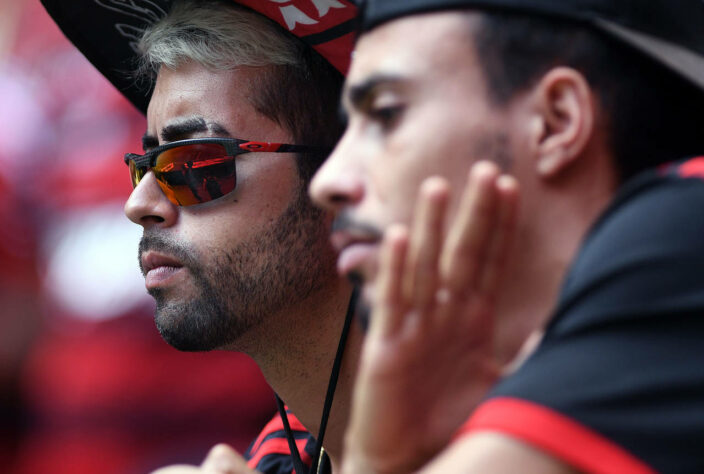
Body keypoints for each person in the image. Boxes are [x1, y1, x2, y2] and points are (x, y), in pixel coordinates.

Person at [310, 0, 704, 473]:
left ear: (556, 121)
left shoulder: (687, 230)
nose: (326, 181)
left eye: (386, 114)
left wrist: (378, 463)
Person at [42, 0, 362, 473]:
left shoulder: (494, 430)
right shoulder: (284, 455)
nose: (138, 205)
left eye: (193, 164)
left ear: (346, 176)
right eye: (146, 165)